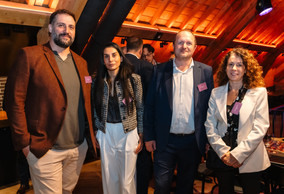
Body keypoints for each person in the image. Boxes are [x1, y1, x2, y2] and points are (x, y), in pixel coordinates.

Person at [4, 9, 97, 194]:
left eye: (71, 27)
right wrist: (24, 143)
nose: (66, 30)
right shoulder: (30, 56)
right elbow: (13, 101)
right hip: (45, 150)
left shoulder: (81, 63)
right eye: (61, 25)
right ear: (50, 28)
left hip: (77, 149)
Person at [144, 30, 214, 194]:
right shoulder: (159, 71)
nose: (184, 46)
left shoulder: (205, 71)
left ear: (195, 47)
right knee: (161, 185)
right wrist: (149, 136)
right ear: (174, 46)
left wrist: (207, 138)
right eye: (180, 42)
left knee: (186, 186)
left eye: (189, 43)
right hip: (165, 140)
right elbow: (149, 106)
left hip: (192, 141)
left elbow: (209, 108)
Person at [205, 48, 270, 194]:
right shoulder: (216, 93)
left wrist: (238, 154)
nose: (234, 68)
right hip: (223, 157)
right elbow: (209, 125)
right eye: (231, 64)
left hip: (249, 156)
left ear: (246, 69)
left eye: (239, 65)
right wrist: (224, 153)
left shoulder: (258, 92)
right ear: (225, 67)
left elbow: (260, 127)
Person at [92, 42, 143, 194]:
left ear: (121, 57)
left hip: (128, 132)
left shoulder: (134, 80)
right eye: (106, 56)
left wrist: (141, 133)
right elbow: (95, 108)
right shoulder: (97, 82)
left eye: (114, 55)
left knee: (127, 179)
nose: (110, 59)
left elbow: (140, 107)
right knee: (109, 176)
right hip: (106, 132)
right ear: (102, 60)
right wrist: (96, 131)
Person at [125, 37, 153, 194]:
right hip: (141, 123)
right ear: (141, 49)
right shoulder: (146, 67)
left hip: (120, 124)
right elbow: (149, 99)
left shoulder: (116, 64)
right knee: (142, 164)